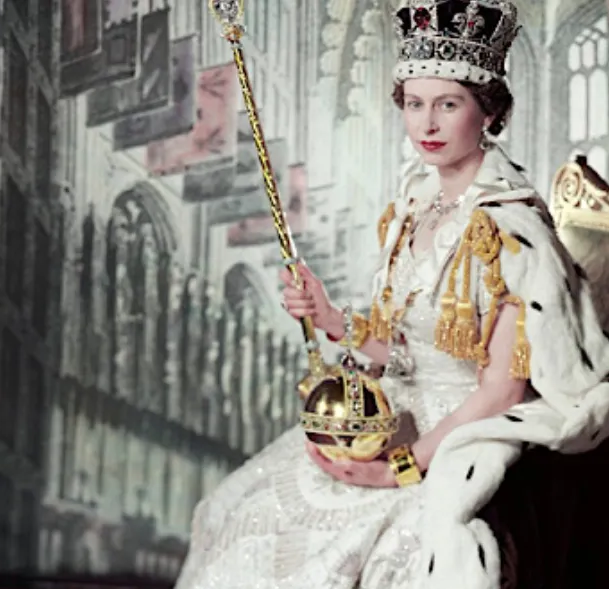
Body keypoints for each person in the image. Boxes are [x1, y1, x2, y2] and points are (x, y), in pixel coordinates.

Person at [174, 1, 609, 588]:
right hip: (388, 410)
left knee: (380, 556)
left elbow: (502, 389)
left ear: (487, 112)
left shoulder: (512, 234)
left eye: (447, 104)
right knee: (237, 511)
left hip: (458, 433)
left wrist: (401, 468)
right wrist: (329, 317)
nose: (427, 124)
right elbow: (397, 348)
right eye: (414, 103)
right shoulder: (412, 206)